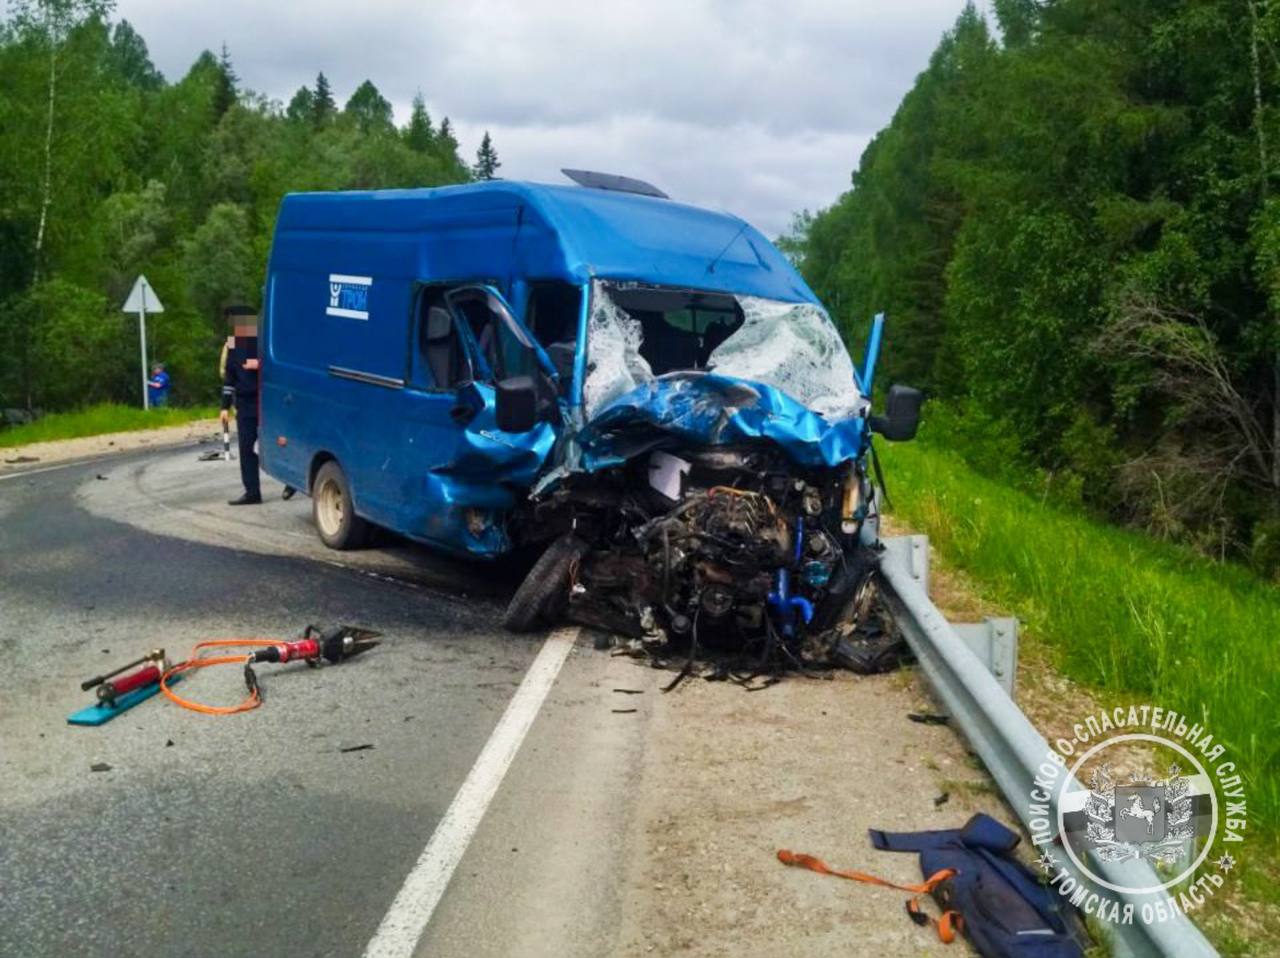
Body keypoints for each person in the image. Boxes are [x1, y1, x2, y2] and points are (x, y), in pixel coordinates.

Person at [221, 306, 262, 506]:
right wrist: (224, 407)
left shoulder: (263, 339)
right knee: (247, 448)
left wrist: (260, 364)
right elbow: (229, 377)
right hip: (245, 402)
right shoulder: (232, 344)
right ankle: (252, 492)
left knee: (280, 441)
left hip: (266, 400)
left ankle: (291, 482)